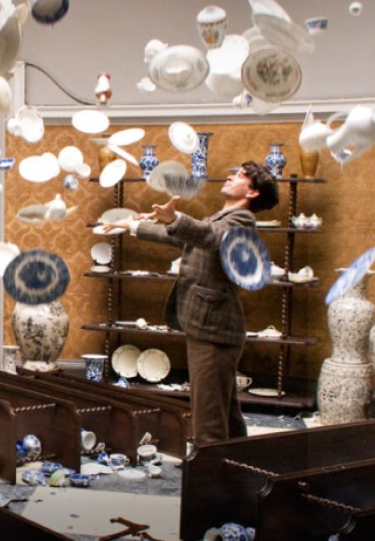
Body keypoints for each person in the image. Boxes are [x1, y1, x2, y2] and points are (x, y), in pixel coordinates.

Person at [106, 160, 279, 444]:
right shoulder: (223, 217)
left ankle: (209, 470)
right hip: (211, 327)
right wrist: (133, 225)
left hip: (213, 330)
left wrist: (175, 217)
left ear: (252, 192)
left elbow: (207, 235)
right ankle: (241, 464)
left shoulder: (241, 222)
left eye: (240, 175)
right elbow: (190, 237)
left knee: (208, 420)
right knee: (224, 412)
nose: (231, 176)